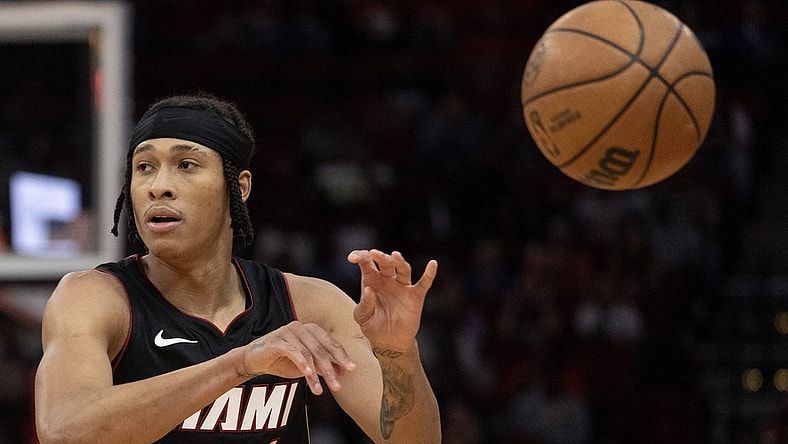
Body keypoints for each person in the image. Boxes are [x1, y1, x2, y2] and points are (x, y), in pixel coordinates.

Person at [33, 93, 441, 443]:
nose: (159, 185)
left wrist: (398, 353)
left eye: (186, 165)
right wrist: (240, 364)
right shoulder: (96, 299)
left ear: (239, 187)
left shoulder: (308, 303)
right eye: (144, 167)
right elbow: (63, 430)